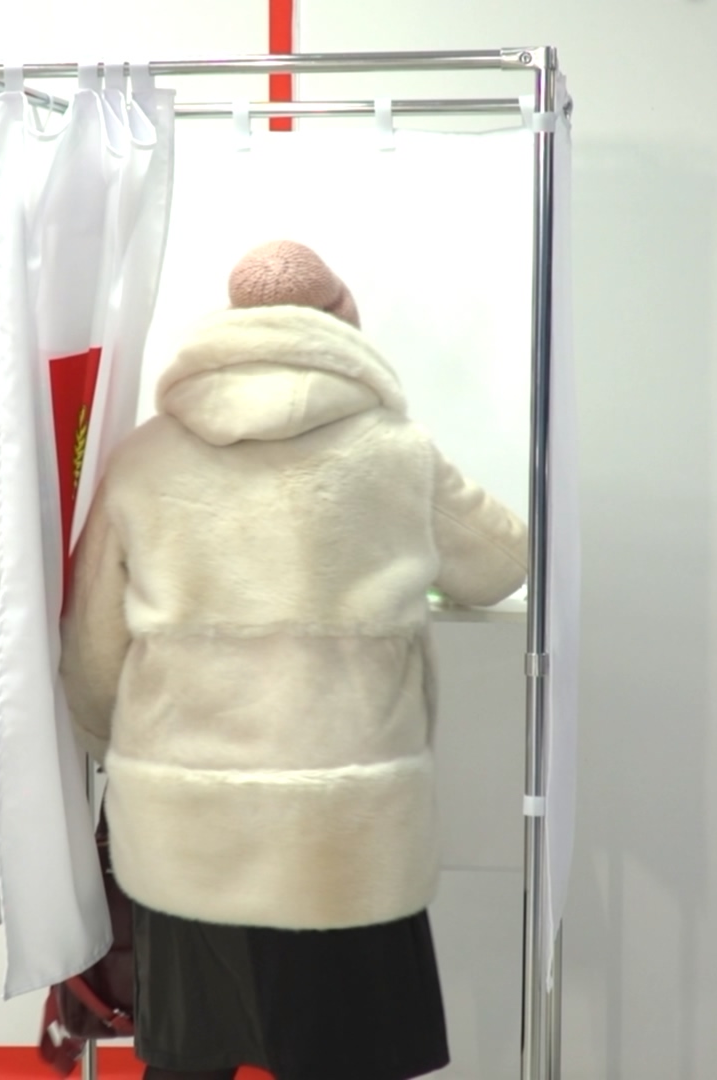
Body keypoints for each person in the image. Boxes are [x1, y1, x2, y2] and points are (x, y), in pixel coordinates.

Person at [59, 240, 529, 1080]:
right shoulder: (394, 453)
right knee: (349, 1062)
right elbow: (499, 564)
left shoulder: (143, 459)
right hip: (342, 838)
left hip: (185, 832)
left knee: (189, 1067)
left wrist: (116, 752)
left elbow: (93, 659)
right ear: (342, 323)